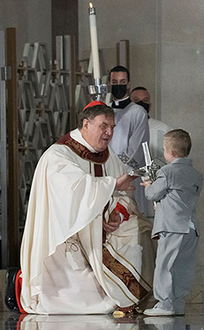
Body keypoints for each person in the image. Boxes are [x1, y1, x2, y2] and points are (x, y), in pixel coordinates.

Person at [17, 101, 154, 314]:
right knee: (79, 296)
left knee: (141, 230)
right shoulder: (59, 155)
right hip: (69, 236)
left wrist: (117, 212)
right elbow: (74, 190)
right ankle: (17, 280)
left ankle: (129, 296)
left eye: (112, 128)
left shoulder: (110, 156)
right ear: (86, 124)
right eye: (103, 126)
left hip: (103, 234)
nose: (109, 132)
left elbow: (124, 195)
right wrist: (113, 184)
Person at [141, 129, 203, 316]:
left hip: (172, 226)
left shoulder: (167, 172)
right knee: (183, 266)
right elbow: (179, 197)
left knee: (165, 264)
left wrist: (148, 185)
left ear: (171, 153)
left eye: (164, 150)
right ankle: (178, 304)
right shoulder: (196, 174)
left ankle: (165, 304)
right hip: (191, 227)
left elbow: (152, 194)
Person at [108, 66, 150, 216]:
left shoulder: (138, 112)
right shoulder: (105, 110)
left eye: (122, 81)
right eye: (114, 81)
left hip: (127, 176)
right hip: (105, 178)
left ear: (128, 84)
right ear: (109, 83)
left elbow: (137, 150)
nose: (118, 85)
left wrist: (117, 171)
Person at [130, 86, 172, 166]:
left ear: (150, 105)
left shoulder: (164, 130)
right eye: (136, 100)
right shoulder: (120, 128)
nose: (141, 103)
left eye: (145, 100)